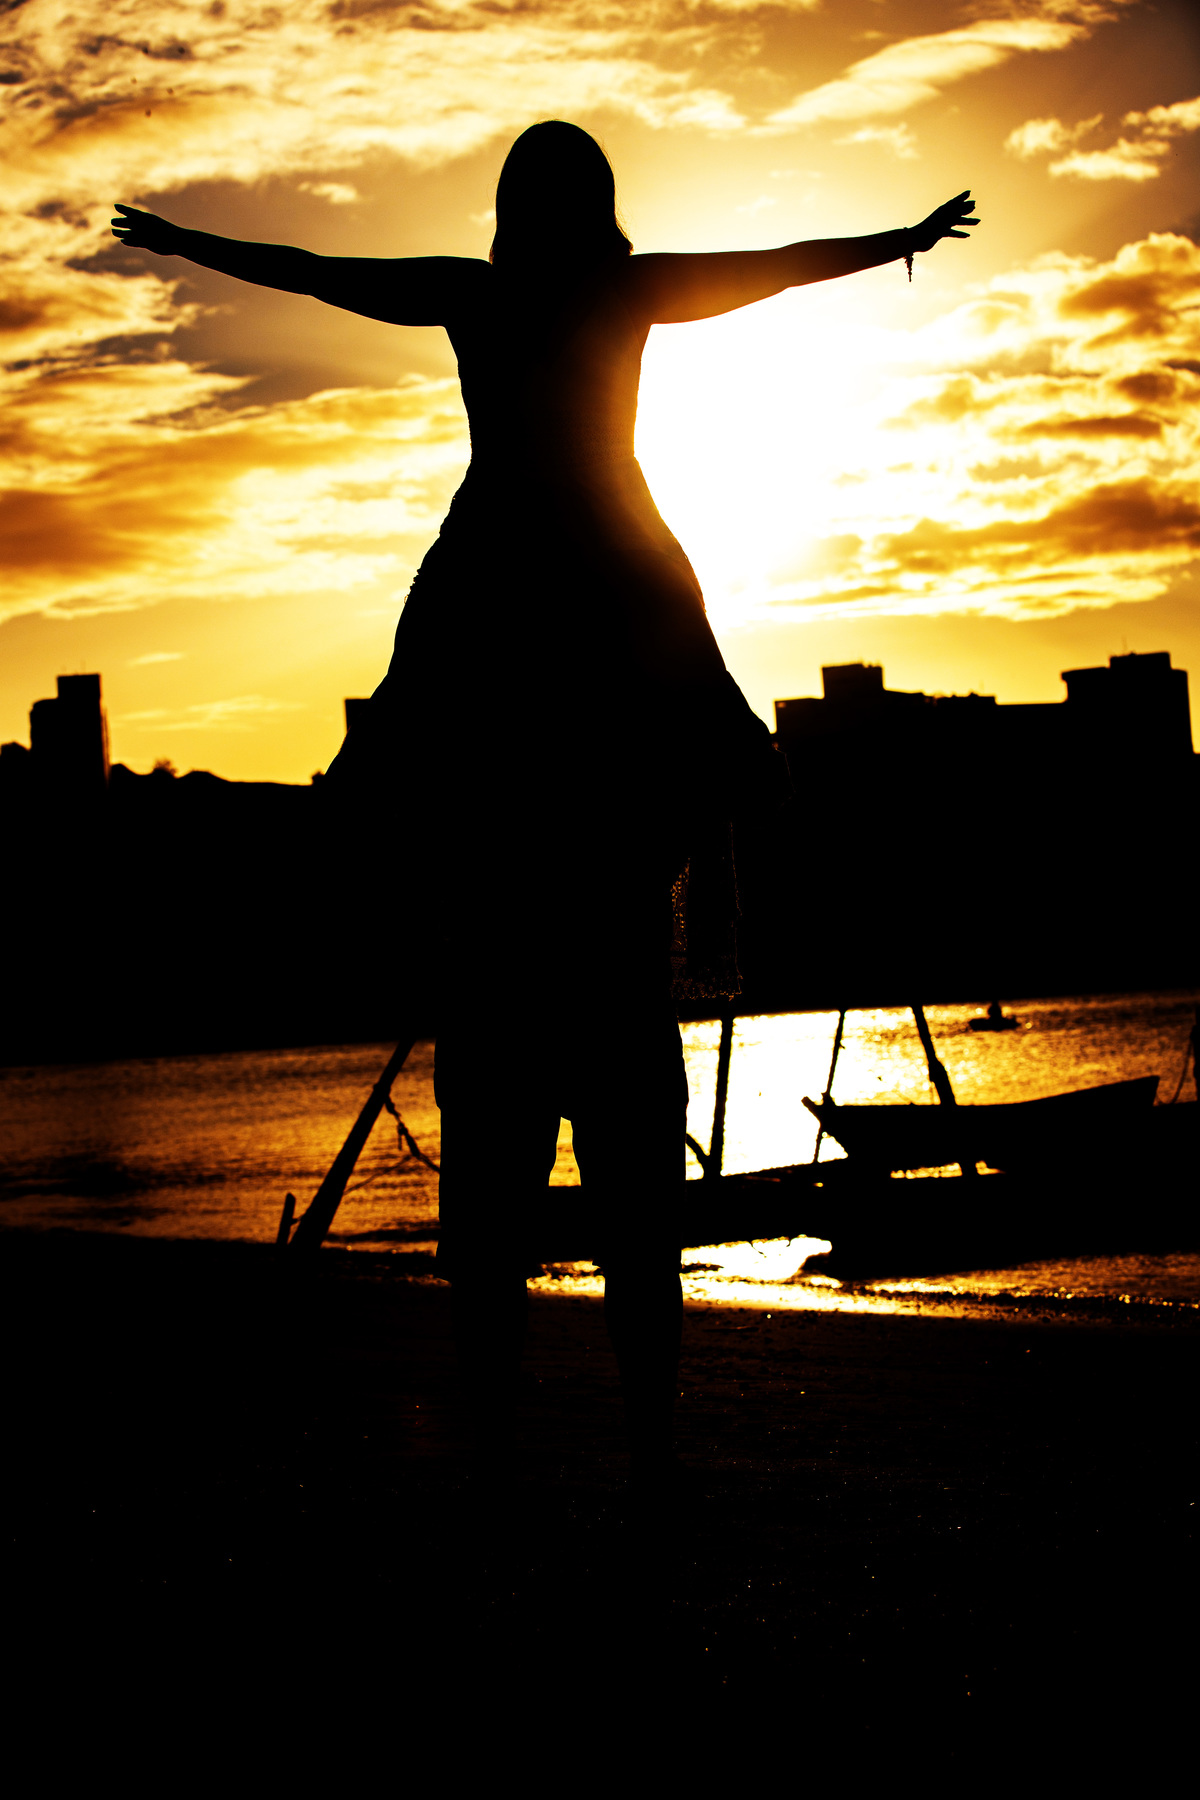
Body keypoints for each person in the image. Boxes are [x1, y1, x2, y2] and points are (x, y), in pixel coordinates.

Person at [113, 127, 978, 1480]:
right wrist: (904, 242)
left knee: (449, 636)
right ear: (600, 213)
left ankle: (509, 1460)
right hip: (595, 631)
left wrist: (186, 243)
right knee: (658, 614)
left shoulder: (482, 290)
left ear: (515, 214)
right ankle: (635, 1452)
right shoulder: (612, 293)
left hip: (506, 625)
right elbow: (781, 270)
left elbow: (314, 270)